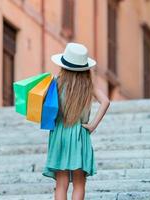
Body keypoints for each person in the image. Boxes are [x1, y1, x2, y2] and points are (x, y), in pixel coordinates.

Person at [42, 42, 110, 200]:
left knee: (61, 183)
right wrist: (92, 125)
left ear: (64, 65)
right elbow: (105, 101)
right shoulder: (88, 86)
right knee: (79, 183)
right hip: (80, 134)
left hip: (59, 134)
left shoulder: (56, 83)